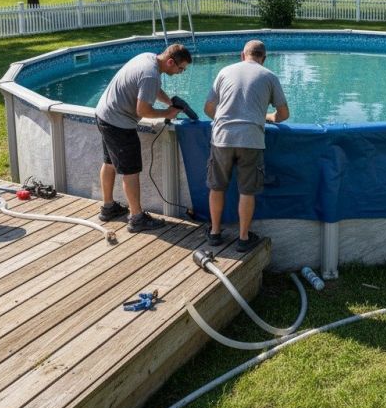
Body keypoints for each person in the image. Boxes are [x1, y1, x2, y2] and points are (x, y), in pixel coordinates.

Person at [95, 43, 192, 232]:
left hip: (104, 114)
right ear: (171, 62)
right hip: (119, 124)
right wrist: (167, 113)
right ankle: (137, 218)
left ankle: (108, 208)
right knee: (130, 171)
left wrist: (170, 102)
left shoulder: (148, 58)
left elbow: (151, 89)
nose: (181, 72)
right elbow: (142, 110)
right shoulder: (150, 75)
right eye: (180, 68)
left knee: (109, 163)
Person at [204, 39, 289, 252]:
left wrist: (225, 120)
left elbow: (208, 108)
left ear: (243, 54)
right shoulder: (269, 76)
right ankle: (243, 238)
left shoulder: (224, 71)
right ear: (264, 58)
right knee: (247, 191)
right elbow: (284, 114)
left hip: (222, 137)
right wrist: (267, 117)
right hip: (251, 140)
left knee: (217, 186)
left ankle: (214, 233)